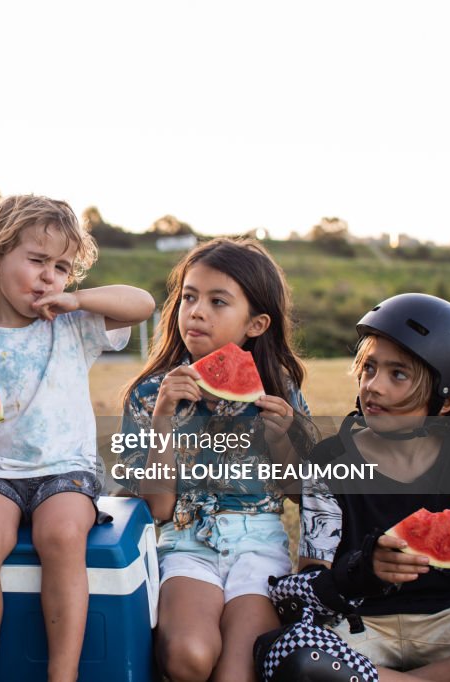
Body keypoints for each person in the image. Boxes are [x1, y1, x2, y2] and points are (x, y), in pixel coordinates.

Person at [0, 193, 155, 682]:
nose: (50, 275)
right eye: (36, 261)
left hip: (65, 468)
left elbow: (143, 304)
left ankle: (63, 673)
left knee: (62, 535)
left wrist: (78, 299)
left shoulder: (74, 326)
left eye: (62, 267)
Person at [256, 293, 450, 682]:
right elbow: (299, 596)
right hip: (360, 629)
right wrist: (362, 572)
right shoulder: (332, 460)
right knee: (287, 652)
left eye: (398, 374)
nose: (373, 386)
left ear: (447, 401)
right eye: (369, 368)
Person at [116, 237, 315, 682]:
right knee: (189, 656)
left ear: (257, 324)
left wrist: (282, 440)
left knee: (237, 672)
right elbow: (157, 510)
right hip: (185, 544)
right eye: (189, 297)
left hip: (259, 546)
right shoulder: (149, 394)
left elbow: (301, 494)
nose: (197, 311)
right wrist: (163, 418)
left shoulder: (278, 388)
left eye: (217, 301)